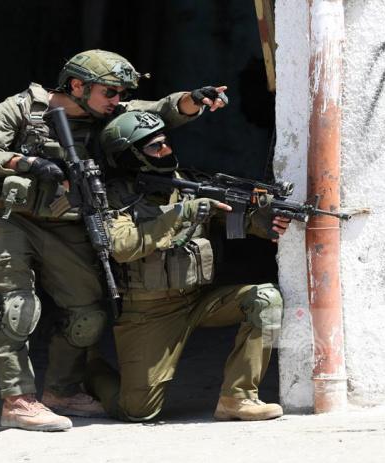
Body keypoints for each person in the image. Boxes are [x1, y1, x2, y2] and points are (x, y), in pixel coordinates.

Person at [0, 49, 227, 431]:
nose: (117, 100)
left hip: (69, 224)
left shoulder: (109, 112)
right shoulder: (20, 109)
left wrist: (194, 100)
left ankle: (61, 391)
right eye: (111, 92)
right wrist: (27, 163)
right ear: (77, 85)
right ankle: (17, 401)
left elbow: (161, 111)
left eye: (121, 93)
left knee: (87, 316)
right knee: (14, 308)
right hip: (13, 221)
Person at [85, 110, 290, 423]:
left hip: (198, 299)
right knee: (138, 410)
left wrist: (268, 221)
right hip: (149, 310)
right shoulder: (114, 197)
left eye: (165, 142)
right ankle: (92, 370)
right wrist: (182, 212)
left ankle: (238, 398)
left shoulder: (186, 184)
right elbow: (122, 247)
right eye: (155, 147)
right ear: (130, 155)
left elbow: (236, 218)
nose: (166, 150)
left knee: (265, 299)